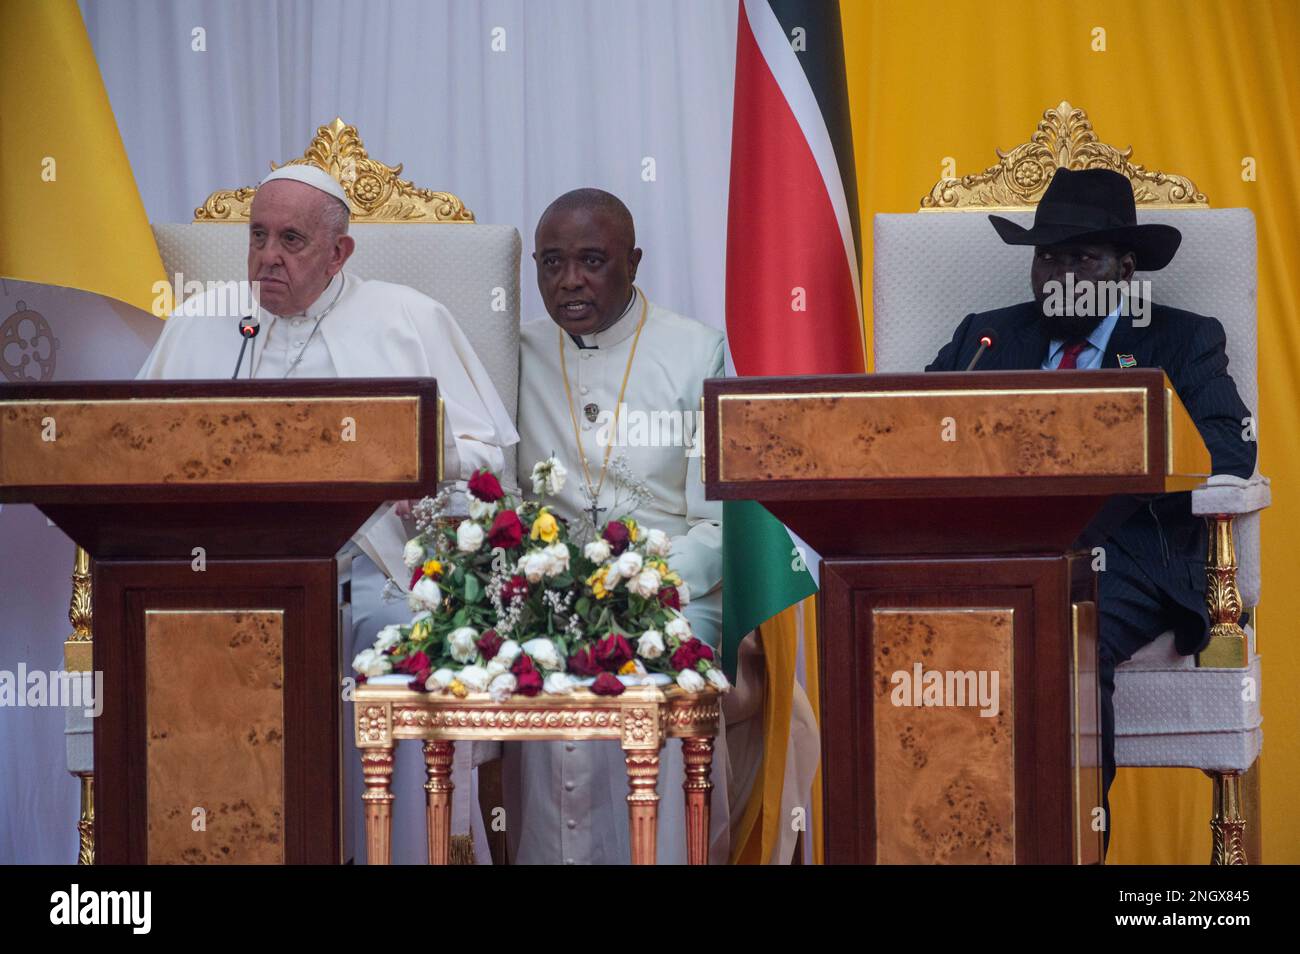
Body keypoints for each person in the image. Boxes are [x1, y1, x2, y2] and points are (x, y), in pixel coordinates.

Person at [137, 162, 519, 863]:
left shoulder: (407, 319)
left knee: (399, 643)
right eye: (257, 237)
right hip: (226, 576)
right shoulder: (201, 320)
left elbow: (487, 454)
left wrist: (426, 469)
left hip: (370, 573)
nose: (267, 258)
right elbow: (137, 443)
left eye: (291, 240)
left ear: (339, 253)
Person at [925, 167, 1256, 850]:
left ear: (1123, 268)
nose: (1058, 274)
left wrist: (1112, 447)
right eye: (1048, 257)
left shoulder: (1181, 339)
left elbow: (1230, 448)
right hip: (994, 554)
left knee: (1058, 630)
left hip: (1127, 558)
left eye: (1080, 258)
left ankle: (1064, 845)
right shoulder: (985, 338)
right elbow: (917, 425)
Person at [502, 188, 728, 864]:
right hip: (550, 590)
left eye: (592, 261)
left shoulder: (694, 350)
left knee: (643, 668)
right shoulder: (514, 352)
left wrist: (637, 582)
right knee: (536, 661)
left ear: (634, 262)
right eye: (550, 263)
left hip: (672, 589)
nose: (569, 281)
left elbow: (718, 522)